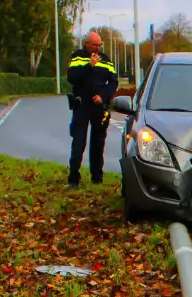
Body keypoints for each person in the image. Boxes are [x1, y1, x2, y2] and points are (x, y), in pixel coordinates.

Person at [66, 31, 119, 188]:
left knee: (98, 144)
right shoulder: (77, 57)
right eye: (94, 45)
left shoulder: (106, 60)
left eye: (99, 45)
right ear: (87, 44)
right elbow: (72, 78)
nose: (97, 48)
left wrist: (103, 96)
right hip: (82, 106)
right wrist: (89, 65)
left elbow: (113, 82)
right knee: (78, 142)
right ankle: (73, 178)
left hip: (98, 107)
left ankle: (97, 178)